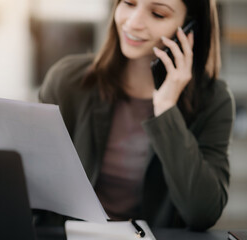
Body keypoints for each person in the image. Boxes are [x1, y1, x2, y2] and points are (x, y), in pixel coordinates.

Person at [38, 0, 234, 231]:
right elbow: (35, 188)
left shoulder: (214, 100)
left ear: (190, 28)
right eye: (129, 3)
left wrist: (166, 109)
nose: (133, 22)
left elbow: (202, 213)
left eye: (158, 14)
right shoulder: (67, 81)